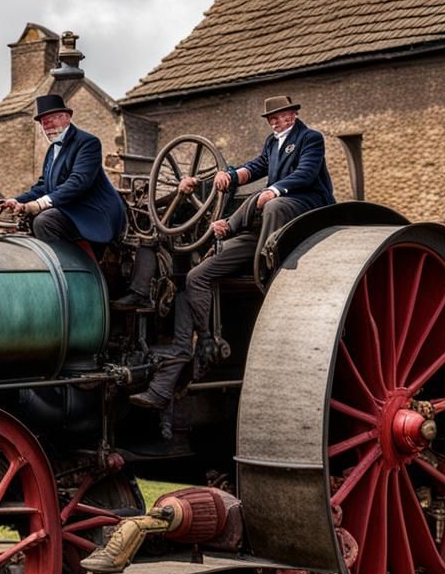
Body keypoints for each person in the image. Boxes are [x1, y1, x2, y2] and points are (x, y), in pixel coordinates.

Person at [130, 94, 335, 409]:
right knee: (196, 277)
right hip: (264, 221)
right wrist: (226, 176)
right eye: (271, 118)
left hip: (305, 207)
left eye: (281, 115)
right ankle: (207, 343)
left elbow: (305, 176)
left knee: (273, 203)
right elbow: (254, 168)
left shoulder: (309, 139)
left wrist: (273, 189)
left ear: (293, 113)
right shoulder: (272, 143)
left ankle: (268, 268)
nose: (276, 121)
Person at [0, 94, 126, 247]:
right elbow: (44, 186)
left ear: (67, 117)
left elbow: (78, 182)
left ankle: (74, 270)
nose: (48, 126)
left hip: (92, 213)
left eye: (52, 120)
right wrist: (17, 201)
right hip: (67, 208)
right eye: (44, 123)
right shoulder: (53, 150)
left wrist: (39, 205)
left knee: (44, 221)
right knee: (27, 222)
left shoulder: (88, 143)